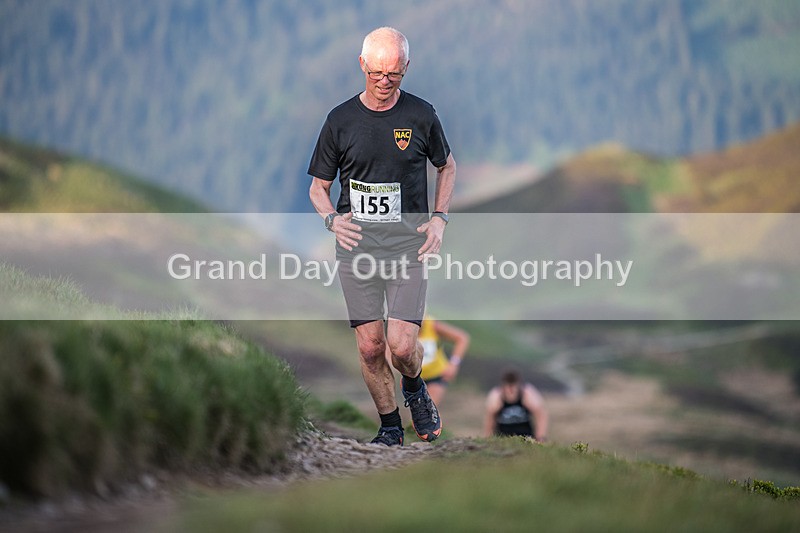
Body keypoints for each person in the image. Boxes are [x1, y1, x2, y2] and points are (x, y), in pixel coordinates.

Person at [308, 27, 457, 447]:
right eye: (376, 72)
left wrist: (440, 218)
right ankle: (390, 427)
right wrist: (331, 221)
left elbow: (447, 167)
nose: (384, 81)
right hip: (356, 250)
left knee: (401, 346)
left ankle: (415, 386)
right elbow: (318, 188)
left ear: (406, 68)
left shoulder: (421, 116)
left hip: (408, 248)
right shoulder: (339, 121)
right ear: (362, 65)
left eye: (393, 73)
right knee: (372, 348)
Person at [416, 315, 470, 406]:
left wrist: (454, 364)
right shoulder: (401, 328)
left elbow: (462, 338)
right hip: (413, 378)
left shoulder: (432, 324)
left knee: (428, 410)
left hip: (436, 376)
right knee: (414, 413)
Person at [484, 370, 549, 442]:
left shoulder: (527, 394)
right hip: (503, 439)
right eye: (508, 386)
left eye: (513, 385)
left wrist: (540, 437)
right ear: (503, 385)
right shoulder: (496, 396)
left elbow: (541, 415)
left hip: (526, 438)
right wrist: (489, 439)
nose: (511, 389)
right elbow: (489, 420)